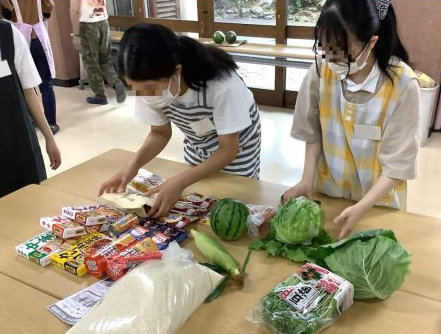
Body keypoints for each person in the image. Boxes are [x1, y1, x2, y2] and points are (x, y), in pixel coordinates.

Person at [282, 0, 420, 238]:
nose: (331, 60)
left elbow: (397, 166)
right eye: (325, 48)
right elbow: (313, 132)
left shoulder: (403, 86)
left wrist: (362, 207)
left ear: (371, 42)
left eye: (342, 52)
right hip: (328, 194)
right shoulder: (319, 70)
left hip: (377, 204)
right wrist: (307, 179)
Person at [99, 24, 261, 217]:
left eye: (150, 87)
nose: (144, 94)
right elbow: (159, 133)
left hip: (236, 149)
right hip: (197, 143)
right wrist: (130, 168)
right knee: (200, 197)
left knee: (232, 204)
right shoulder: (146, 83)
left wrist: (180, 181)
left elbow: (228, 150)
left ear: (176, 71)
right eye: (134, 86)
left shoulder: (223, 85)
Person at [0, 19, 61, 197]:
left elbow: (29, 91)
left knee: (32, 198)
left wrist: (49, 138)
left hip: (19, 141)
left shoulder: (7, 33)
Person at [0, 0, 59, 134]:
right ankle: (51, 123)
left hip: (20, 38)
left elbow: (7, 10)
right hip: (39, 38)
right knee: (46, 84)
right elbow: (50, 6)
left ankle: (35, 119)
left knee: (27, 86)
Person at [70, 0, 126, 105]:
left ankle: (100, 96)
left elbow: (75, 10)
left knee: (91, 62)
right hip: (103, 22)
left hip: (87, 26)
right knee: (105, 59)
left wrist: (76, 35)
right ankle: (116, 82)